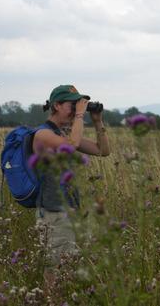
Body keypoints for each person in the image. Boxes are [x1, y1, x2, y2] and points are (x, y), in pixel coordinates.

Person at [32, 84, 110, 289]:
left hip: (70, 212)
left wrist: (98, 121)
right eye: (72, 105)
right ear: (57, 105)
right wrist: (79, 117)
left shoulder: (63, 133)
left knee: (68, 272)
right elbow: (72, 145)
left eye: (79, 105)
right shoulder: (43, 134)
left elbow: (103, 150)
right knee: (54, 272)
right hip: (53, 214)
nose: (77, 109)